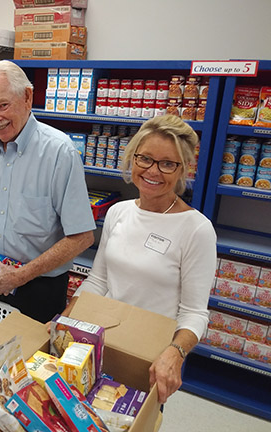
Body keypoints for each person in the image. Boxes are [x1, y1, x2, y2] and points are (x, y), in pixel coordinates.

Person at [63, 115, 217, 404]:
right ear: (132, 158)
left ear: (183, 169)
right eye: (144, 158)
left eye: (167, 163)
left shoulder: (196, 229)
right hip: (101, 342)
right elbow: (98, 281)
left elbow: (195, 313)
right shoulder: (118, 212)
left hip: (149, 356)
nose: (153, 171)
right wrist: (66, 318)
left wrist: (175, 353)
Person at [0, 60, 96, 323]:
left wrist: (21, 276)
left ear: (27, 97)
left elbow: (82, 237)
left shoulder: (59, 152)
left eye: (3, 105)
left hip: (38, 290)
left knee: (32, 363)